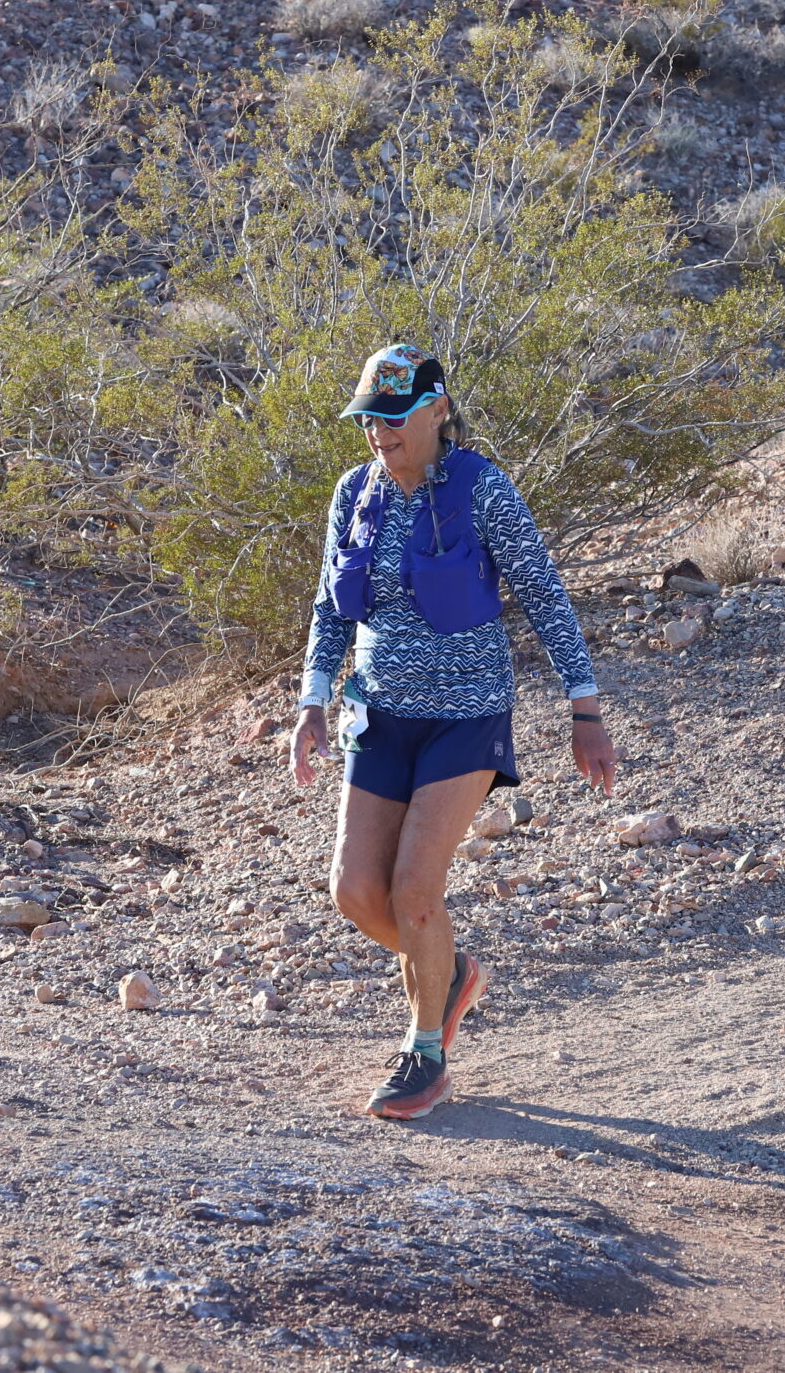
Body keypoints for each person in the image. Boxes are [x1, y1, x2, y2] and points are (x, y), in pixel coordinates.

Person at [290, 344, 617, 1119]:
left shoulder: (483, 489)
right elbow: (331, 608)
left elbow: (543, 590)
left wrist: (585, 707)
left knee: (415, 891)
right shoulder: (354, 492)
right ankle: (451, 971)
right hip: (377, 713)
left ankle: (425, 1051)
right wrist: (311, 699)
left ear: (437, 410)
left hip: (466, 716)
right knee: (356, 890)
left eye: (394, 417)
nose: (379, 433)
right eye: (369, 418)